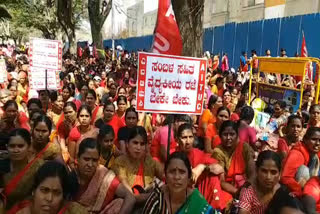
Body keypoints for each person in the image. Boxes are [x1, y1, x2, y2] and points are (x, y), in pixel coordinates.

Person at [143, 151, 219, 214]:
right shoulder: (158, 198)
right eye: (172, 171)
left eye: (182, 172)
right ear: (165, 175)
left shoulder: (196, 199)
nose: (177, 177)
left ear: (189, 176)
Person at [73, 138, 135, 214]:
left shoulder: (103, 175)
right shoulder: (69, 177)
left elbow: (130, 197)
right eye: (86, 159)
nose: (90, 164)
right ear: (78, 158)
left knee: (119, 203)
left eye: (94, 160)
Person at [7, 161, 87, 214]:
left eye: (56, 193)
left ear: (63, 197)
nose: (49, 198)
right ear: (34, 191)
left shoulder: (73, 211)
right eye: (44, 190)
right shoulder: (21, 212)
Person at [176, 123, 224, 209]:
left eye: (190, 137)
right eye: (184, 138)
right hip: (180, 192)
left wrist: (202, 167)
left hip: (198, 192)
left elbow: (220, 168)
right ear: (177, 140)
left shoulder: (199, 154)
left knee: (212, 176)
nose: (188, 142)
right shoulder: (174, 156)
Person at [112, 126, 163, 203]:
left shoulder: (150, 162)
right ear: (127, 144)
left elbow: (166, 175)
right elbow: (131, 195)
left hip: (147, 203)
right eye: (135, 143)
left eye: (142, 144)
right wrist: (153, 195)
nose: (138, 148)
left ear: (145, 146)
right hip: (126, 204)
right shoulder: (119, 162)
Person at [212, 120, 255, 210]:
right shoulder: (218, 152)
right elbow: (221, 181)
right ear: (220, 136)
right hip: (228, 189)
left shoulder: (244, 147)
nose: (228, 138)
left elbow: (252, 171)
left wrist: (247, 189)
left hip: (246, 186)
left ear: (237, 135)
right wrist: (237, 192)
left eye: (232, 134)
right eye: (225, 134)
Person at [0, 129, 44, 210]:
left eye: (20, 146)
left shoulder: (37, 167)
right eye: (12, 146)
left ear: (29, 146)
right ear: (7, 147)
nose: (16, 150)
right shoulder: (1, 167)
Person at [281, 127, 320, 196]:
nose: (317, 143)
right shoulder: (297, 154)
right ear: (305, 139)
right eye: (314, 139)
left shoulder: (314, 155)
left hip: (306, 188)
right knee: (303, 169)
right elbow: (285, 177)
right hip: (291, 191)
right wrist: (300, 191)